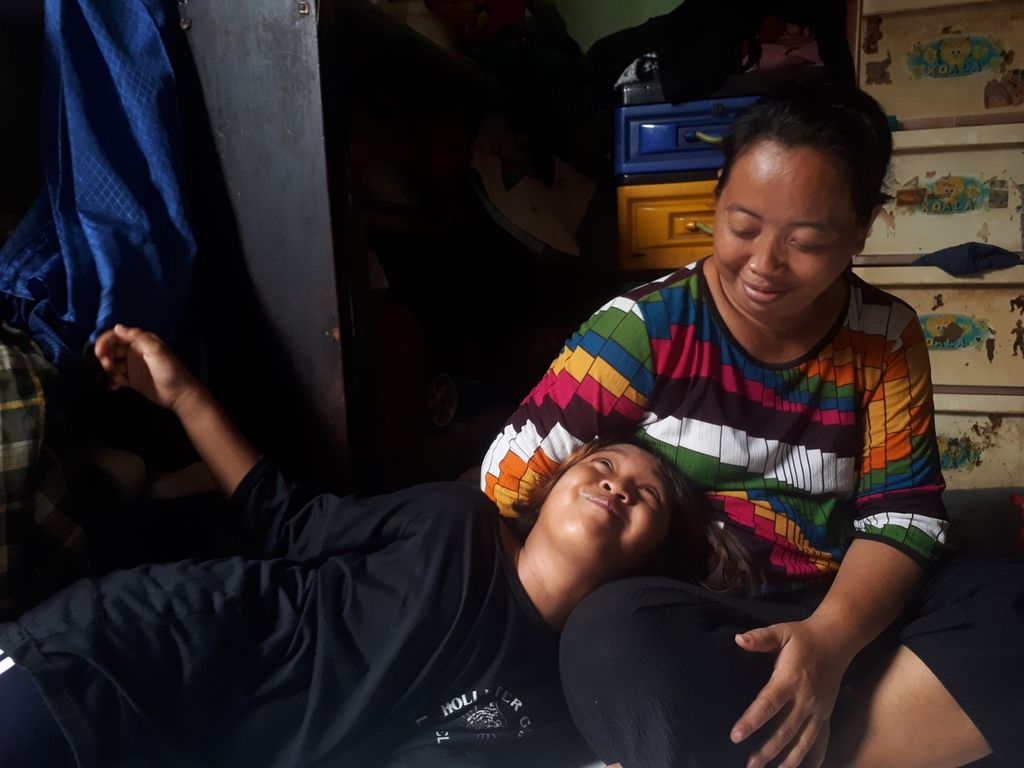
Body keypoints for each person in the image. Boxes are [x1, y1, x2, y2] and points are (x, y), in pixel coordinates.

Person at [481, 79, 1024, 768]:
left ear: (863, 228)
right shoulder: (643, 330)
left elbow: (901, 516)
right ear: (716, 195)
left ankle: (806, 732)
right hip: (701, 622)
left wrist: (827, 643)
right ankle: (864, 730)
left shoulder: (884, 336)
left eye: (807, 242)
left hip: (841, 610)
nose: (764, 266)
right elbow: (508, 475)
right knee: (612, 640)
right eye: (743, 227)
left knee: (1008, 597)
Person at [0, 324, 750, 768]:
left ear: (655, 564)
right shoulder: (456, 521)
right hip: (134, 654)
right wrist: (184, 395)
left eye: (645, 494)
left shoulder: (564, 700)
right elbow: (288, 521)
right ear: (551, 487)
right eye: (605, 465)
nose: (617, 485)